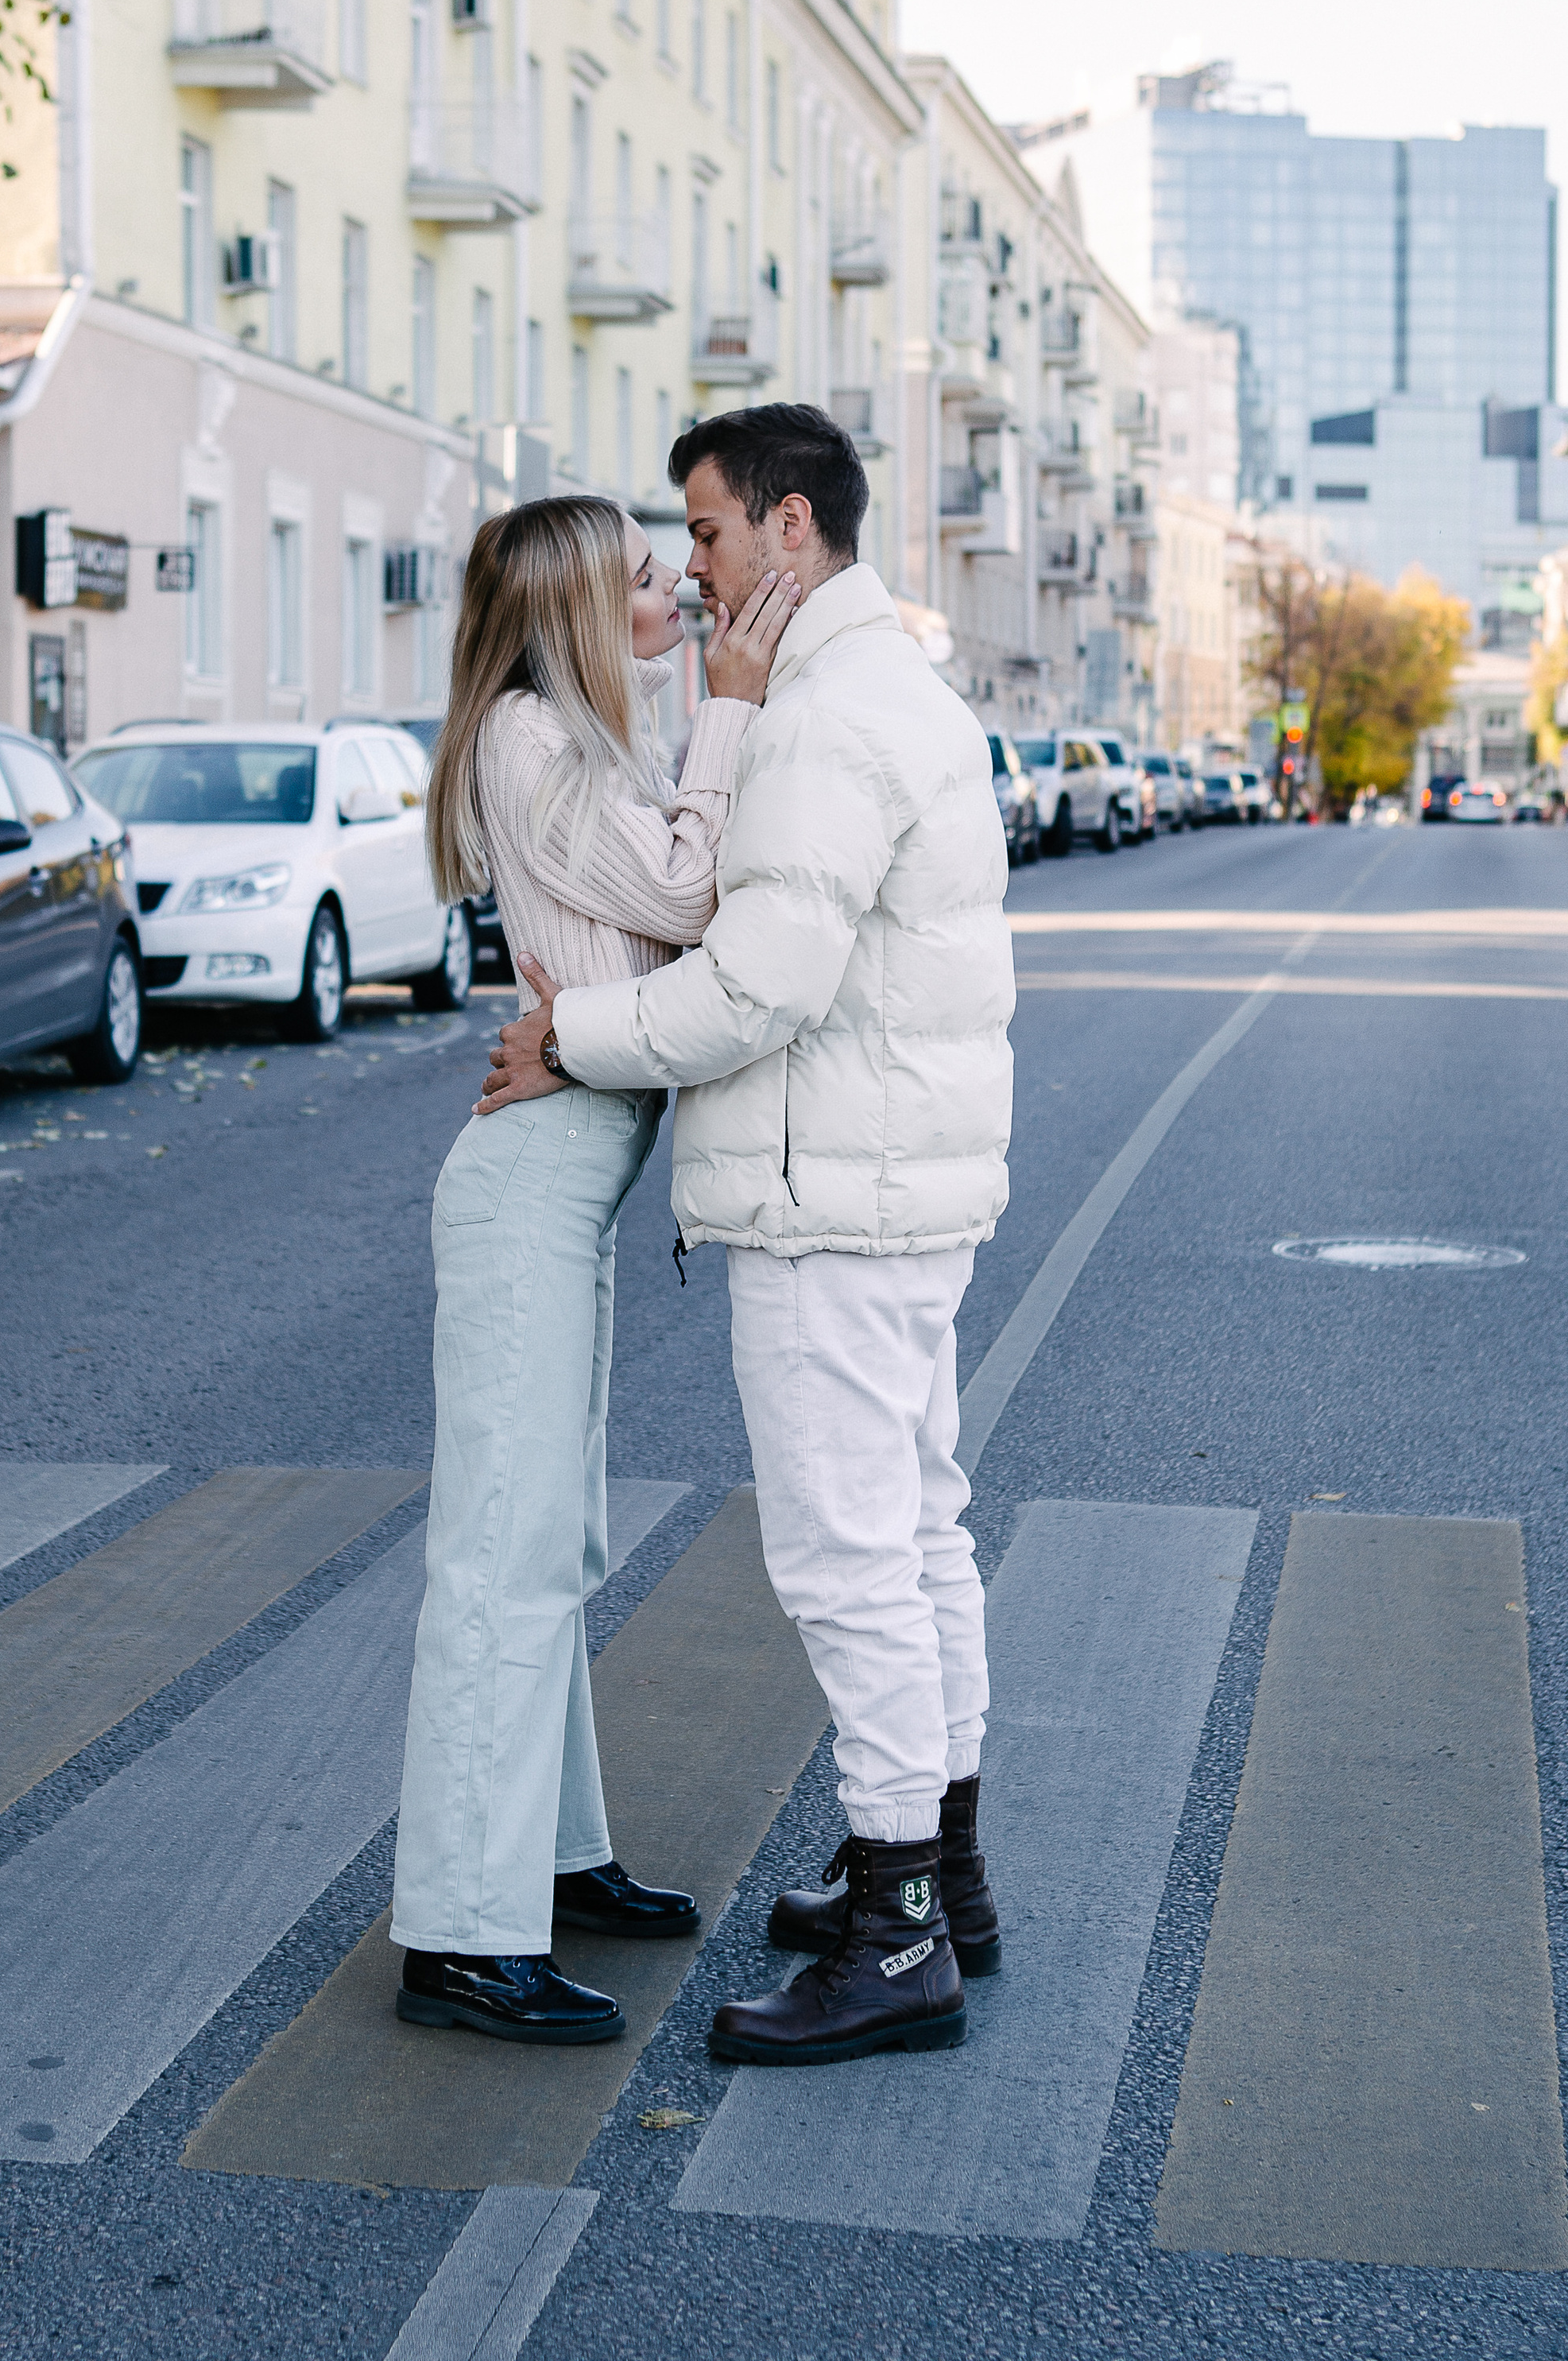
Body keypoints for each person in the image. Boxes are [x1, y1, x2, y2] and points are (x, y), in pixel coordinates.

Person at [476, 405, 1015, 2067]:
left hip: (822, 1200)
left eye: (700, 534)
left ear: (786, 529)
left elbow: (757, 983)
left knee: (848, 1557)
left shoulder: (815, 719)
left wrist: (572, 1039)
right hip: (889, 1185)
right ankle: (935, 1871)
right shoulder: (882, 686)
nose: (688, 567)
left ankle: (897, 1930)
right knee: (917, 1532)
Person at [391, 491, 801, 2045]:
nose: (671, 594)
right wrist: (729, 714)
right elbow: (691, 896)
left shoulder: (578, 748)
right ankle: (459, 1930)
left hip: (572, 1178)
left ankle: (547, 1861)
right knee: (497, 1554)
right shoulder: (526, 741)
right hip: (525, 1192)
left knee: (544, 1539)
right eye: (640, 577)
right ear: (570, 603)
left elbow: (660, 938)